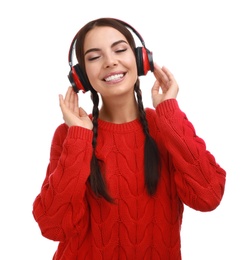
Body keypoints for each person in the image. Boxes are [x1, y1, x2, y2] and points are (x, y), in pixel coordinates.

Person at [32, 17, 226, 260]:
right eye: (94, 57)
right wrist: (79, 138)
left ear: (140, 59)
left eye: (120, 50)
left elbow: (209, 197)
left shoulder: (166, 125)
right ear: (80, 76)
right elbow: (52, 226)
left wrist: (170, 112)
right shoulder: (71, 135)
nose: (110, 61)